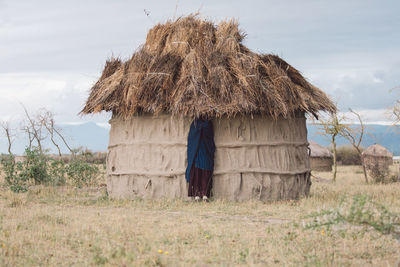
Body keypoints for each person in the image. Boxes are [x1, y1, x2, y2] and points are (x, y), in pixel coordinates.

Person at [185, 118, 215, 201]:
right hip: (196, 153)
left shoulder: (208, 124)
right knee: (196, 173)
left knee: (206, 172)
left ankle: (205, 194)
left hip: (206, 151)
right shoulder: (194, 124)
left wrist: (204, 129)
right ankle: (196, 194)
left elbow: (210, 138)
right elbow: (192, 138)